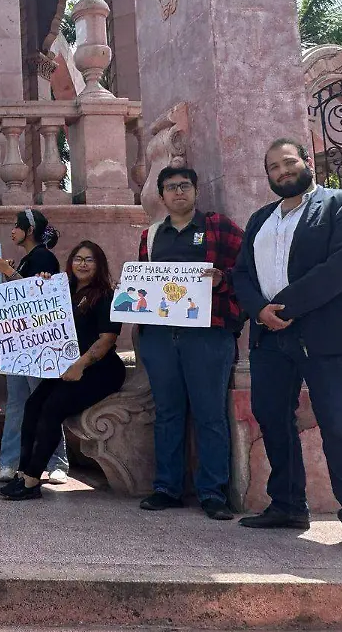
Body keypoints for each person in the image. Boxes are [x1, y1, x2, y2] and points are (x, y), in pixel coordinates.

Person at [231, 138, 342, 557]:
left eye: (288, 162)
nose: (283, 171)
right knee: (272, 418)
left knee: (338, 423)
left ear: (307, 161)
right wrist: (261, 311)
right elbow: (240, 273)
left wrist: (288, 307)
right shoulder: (260, 219)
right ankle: (287, 505)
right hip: (270, 336)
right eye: (274, 167)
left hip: (326, 334)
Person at [136, 166, 246, 521]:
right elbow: (143, 283)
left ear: (196, 190)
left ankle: (213, 492)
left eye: (184, 186)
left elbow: (248, 272)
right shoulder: (151, 236)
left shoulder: (220, 228)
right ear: (161, 195)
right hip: (160, 336)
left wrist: (223, 280)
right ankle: (167, 487)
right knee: (167, 413)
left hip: (208, 335)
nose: (178, 192)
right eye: (170, 187)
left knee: (210, 414)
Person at [0, 241, 126, 500]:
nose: (82, 264)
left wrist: (80, 365)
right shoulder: (61, 289)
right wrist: (40, 284)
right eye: (78, 258)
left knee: (52, 408)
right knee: (33, 404)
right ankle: (23, 473)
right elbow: (35, 309)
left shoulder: (105, 294)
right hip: (66, 368)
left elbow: (107, 339)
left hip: (99, 368)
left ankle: (34, 480)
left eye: (89, 260)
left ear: (99, 264)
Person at [0, 209, 70, 485]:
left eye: (16, 226)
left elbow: (41, 295)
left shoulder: (44, 257)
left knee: (44, 403)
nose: (12, 231)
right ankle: (9, 462)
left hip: (40, 347)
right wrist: (12, 272)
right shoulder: (28, 259)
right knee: (16, 404)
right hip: (19, 345)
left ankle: (57, 462)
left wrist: (8, 271)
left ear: (29, 230)